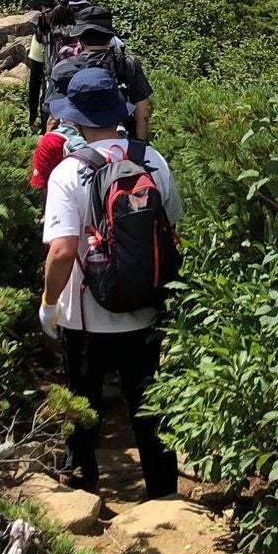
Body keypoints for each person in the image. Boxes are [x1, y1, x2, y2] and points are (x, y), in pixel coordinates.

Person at [37, 67, 182, 498]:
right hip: (146, 305)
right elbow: (171, 226)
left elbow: (62, 251)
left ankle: (83, 482)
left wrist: (48, 304)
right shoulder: (152, 159)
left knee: (83, 399)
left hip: (86, 313)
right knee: (147, 402)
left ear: (76, 118)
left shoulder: (68, 172)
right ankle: (162, 489)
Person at [48, 5, 154, 137]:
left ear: (79, 37)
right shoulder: (128, 64)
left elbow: (53, 118)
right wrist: (139, 145)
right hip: (120, 144)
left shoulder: (63, 68)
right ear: (110, 37)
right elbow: (142, 113)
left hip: (76, 144)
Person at [27, 0, 72, 135]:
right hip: (81, 103)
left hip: (52, 103)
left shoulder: (41, 36)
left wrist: (32, 117)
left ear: (45, 10)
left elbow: (35, 80)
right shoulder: (81, 31)